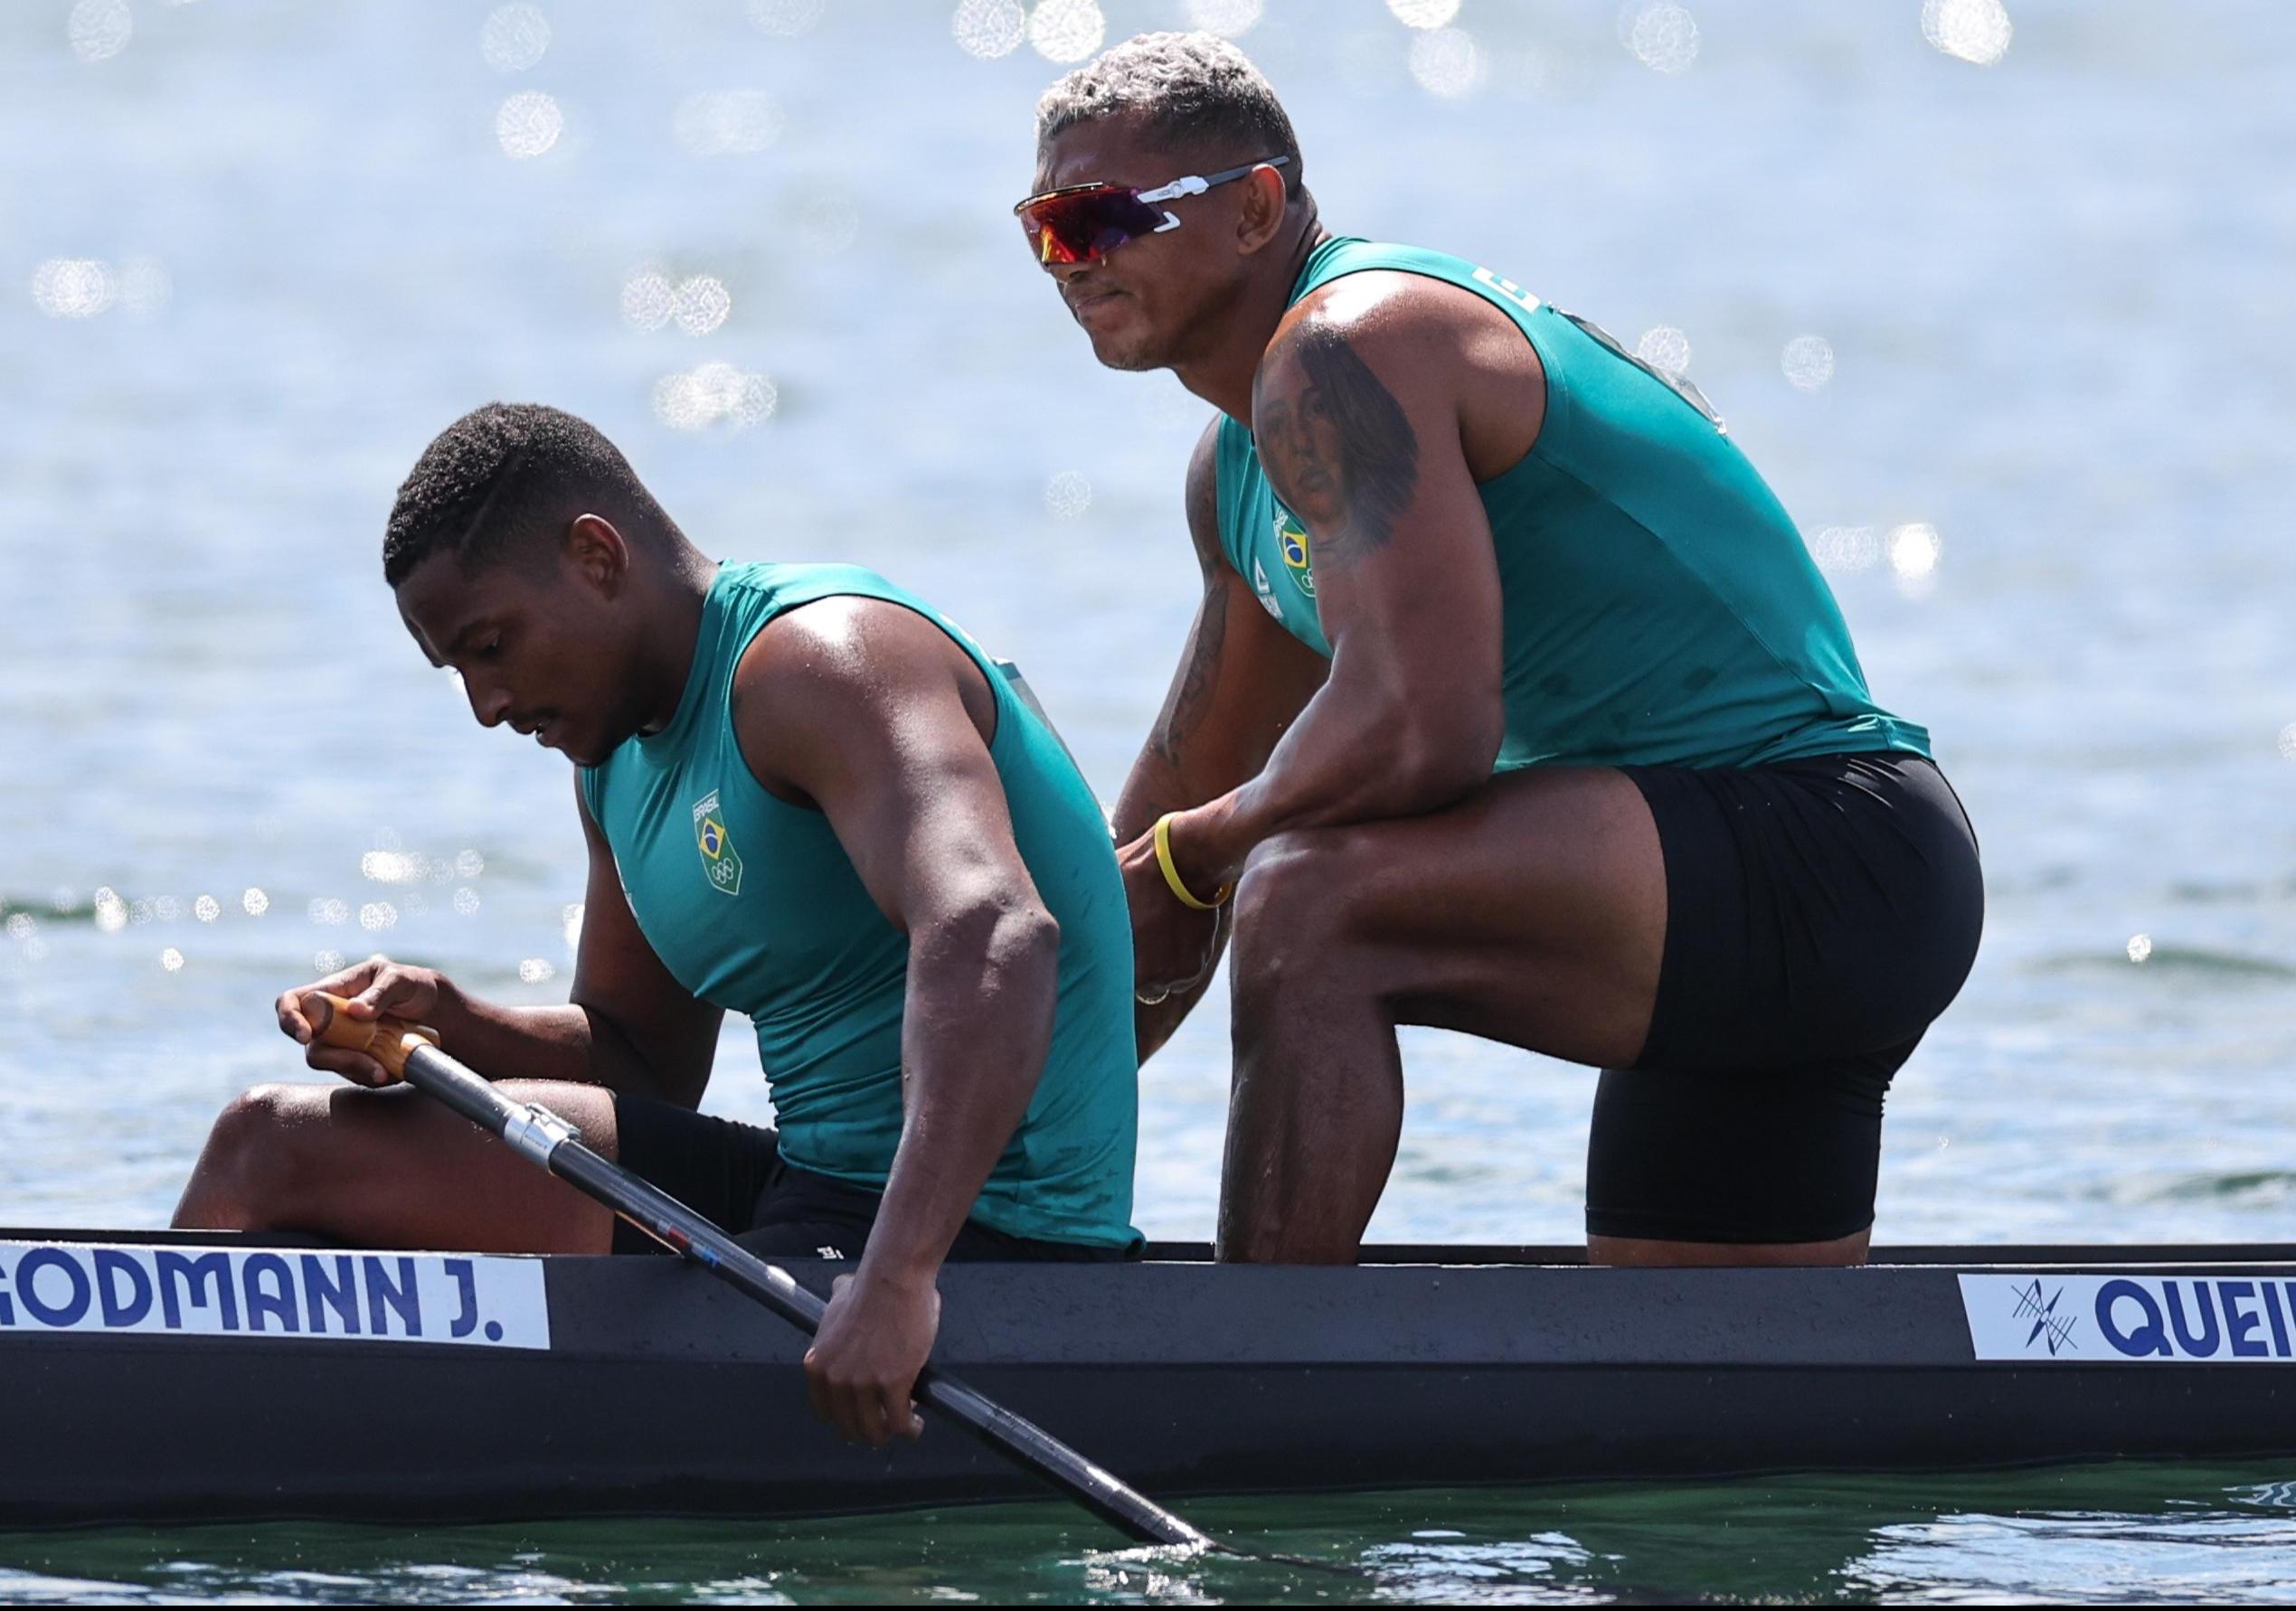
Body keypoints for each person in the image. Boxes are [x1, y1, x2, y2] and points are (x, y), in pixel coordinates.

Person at [1016, 33, 1983, 1267]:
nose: (1071, 263)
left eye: (1102, 218)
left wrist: (1202, 854)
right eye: (1047, 230)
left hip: (1821, 844)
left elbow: (1421, 729)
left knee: (1307, 904)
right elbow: (1145, 867)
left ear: (1255, 207)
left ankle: (1262, 1362)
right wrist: (939, 1184)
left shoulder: (1344, 348)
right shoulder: (1236, 477)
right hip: (1709, 903)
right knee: (1695, 1408)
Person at [173, 402, 1141, 1445]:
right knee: (263, 1148)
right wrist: (452, 1022)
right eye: (457, 671)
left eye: (492, 647)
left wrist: (899, 1278)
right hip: (810, 1188)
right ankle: (154, 1426)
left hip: (989, 1233)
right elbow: (639, 1061)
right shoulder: (612, 763)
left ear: (596, 557)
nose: (486, 706)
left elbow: (996, 930)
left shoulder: (816, 663)